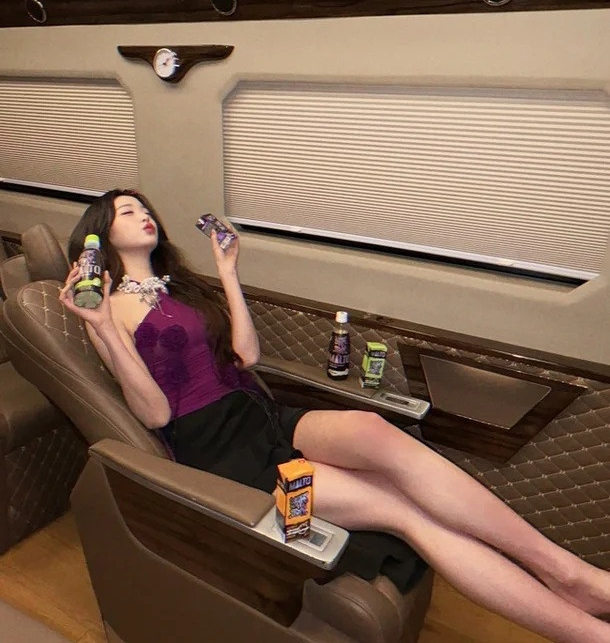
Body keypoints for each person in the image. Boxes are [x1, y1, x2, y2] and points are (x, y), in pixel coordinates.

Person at [59, 189, 610, 643]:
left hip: (261, 415)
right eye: (127, 211)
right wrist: (103, 325)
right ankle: (587, 631)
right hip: (220, 453)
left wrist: (228, 271)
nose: (145, 214)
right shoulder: (101, 309)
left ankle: (565, 570)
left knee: (375, 431)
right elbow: (154, 413)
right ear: (100, 233)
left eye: (145, 207)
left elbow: (246, 355)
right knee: (405, 512)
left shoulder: (182, 288)